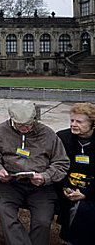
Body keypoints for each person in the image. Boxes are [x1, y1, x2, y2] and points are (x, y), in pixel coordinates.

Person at [0, 100, 69, 245]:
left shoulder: (47, 134)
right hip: (9, 183)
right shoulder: (1, 131)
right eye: (20, 125)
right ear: (12, 119)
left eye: (29, 125)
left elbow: (62, 162)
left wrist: (45, 177)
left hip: (41, 186)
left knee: (43, 221)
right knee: (7, 216)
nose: (24, 128)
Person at [56, 102, 95, 245]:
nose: (73, 124)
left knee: (83, 208)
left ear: (92, 124)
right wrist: (65, 186)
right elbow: (56, 165)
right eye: (72, 120)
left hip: (90, 190)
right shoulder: (62, 137)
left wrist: (86, 193)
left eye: (79, 121)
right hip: (66, 188)